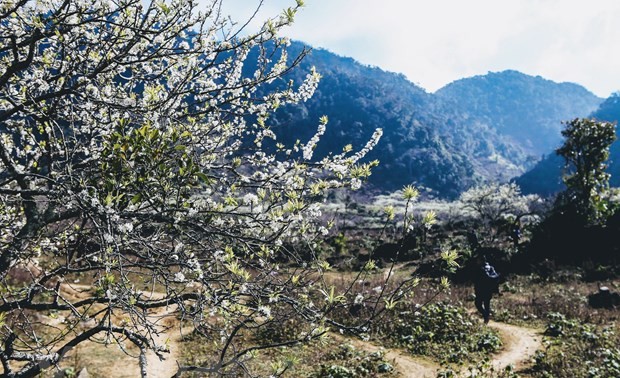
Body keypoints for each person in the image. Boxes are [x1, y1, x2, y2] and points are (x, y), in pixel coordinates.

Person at [473, 255, 500, 324]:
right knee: (486, 304)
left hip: (481, 290)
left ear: (481, 260)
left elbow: (477, 280)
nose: (477, 261)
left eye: (478, 260)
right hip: (489, 289)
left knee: (478, 303)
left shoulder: (481, 268)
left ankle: (485, 316)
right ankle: (486, 317)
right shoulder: (491, 267)